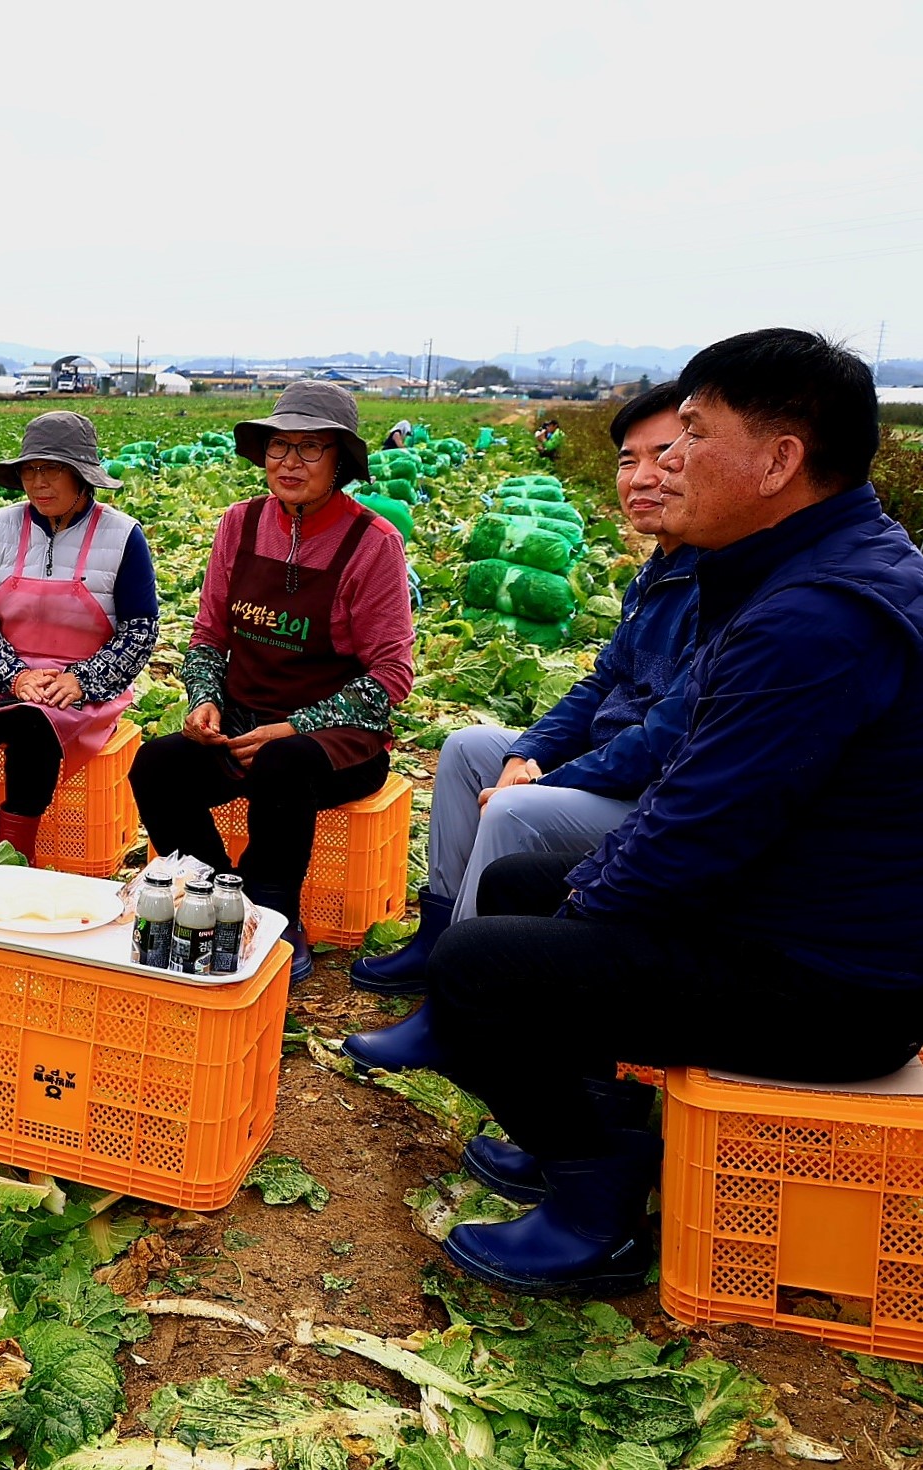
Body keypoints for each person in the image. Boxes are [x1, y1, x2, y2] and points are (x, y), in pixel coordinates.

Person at [361, 329, 923, 1297]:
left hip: (834, 984)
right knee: (514, 887)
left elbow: (695, 836)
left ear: (778, 459)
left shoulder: (811, 617)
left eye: (691, 436)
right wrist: (573, 896)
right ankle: (598, 1123)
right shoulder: (812, 568)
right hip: (791, 910)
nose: (666, 462)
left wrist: (573, 918)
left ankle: (596, 1202)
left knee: (479, 969)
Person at [349, 381, 697, 994]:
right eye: (628, 460)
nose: (643, 477)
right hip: (608, 767)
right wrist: (525, 751)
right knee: (468, 749)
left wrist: (553, 777)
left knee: (514, 806)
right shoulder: (659, 572)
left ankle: (464, 980)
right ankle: (436, 931)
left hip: (651, 792)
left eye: (665, 456)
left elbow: (669, 735)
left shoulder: (721, 585)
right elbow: (601, 683)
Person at [127, 381, 413, 981]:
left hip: (336, 743)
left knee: (284, 764)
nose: (289, 463)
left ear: (340, 462)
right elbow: (208, 636)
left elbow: (391, 677)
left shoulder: (373, 543)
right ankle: (216, 901)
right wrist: (205, 699)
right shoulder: (240, 523)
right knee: (156, 765)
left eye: (310, 449)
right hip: (239, 727)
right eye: (279, 447)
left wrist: (295, 726)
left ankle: (276, 914)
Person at [0, 412, 158, 861]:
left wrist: (83, 679)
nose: (39, 483)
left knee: (32, 727)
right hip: (2, 673)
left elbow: (139, 629)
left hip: (81, 681)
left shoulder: (123, 535)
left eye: (52, 470)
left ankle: (16, 853)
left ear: (82, 477)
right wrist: (12, 677)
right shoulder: (1, 527)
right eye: (30, 470)